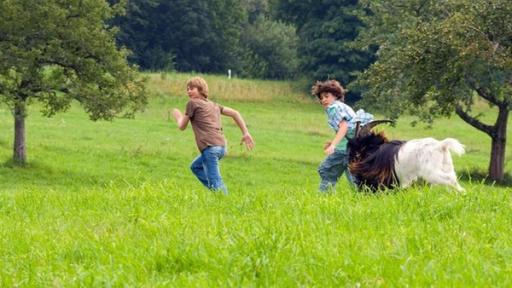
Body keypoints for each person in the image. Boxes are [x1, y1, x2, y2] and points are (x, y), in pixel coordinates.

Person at [172, 76, 254, 194]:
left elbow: (182, 126)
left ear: (201, 89)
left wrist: (178, 116)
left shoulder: (192, 103)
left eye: (192, 88)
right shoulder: (214, 105)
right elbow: (235, 113)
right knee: (196, 167)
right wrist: (245, 132)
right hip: (221, 147)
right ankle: (216, 191)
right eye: (187, 89)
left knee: (216, 182)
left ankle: (224, 199)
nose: (188, 91)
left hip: (210, 148)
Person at [312, 79, 358, 192]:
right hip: (353, 147)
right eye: (321, 98)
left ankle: (323, 200)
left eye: (326, 96)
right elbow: (347, 130)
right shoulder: (341, 106)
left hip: (345, 149)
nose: (323, 100)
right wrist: (334, 143)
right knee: (354, 177)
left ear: (335, 95)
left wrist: (333, 145)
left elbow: (344, 126)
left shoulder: (334, 108)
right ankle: (364, 198)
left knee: (326, 171)